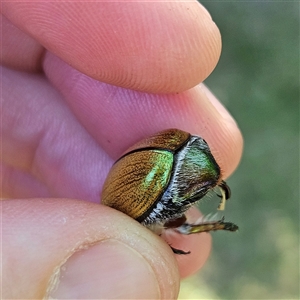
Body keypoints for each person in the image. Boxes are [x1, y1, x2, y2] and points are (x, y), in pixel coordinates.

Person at [1, 2, 243, 298]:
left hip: (168, 165)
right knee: (175, 227)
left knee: (172, 228)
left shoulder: (132, 210)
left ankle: (205, 205)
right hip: (175, 152)